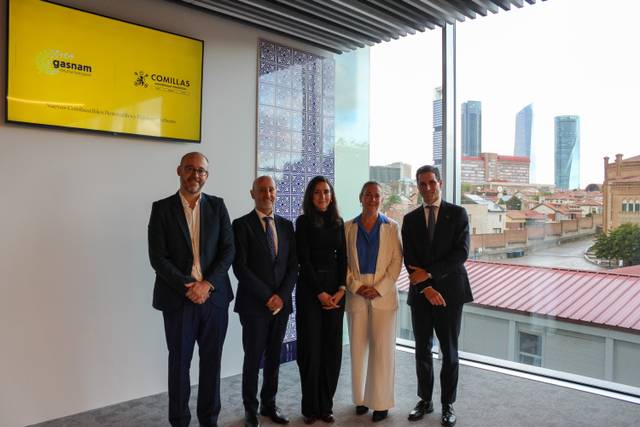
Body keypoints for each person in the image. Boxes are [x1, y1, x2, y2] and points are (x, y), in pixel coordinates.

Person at [148, 152, 235, 427]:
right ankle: (180, 422)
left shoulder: (218, 207)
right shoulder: (162, 208)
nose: (195, 175)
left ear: (206, 176)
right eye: (190, 169)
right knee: (179, 366)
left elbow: (228, 250)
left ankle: (209, 421)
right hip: (178, 300)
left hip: (214, 299)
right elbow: (158, 257)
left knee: (212, 366)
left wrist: (207, 284)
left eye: (201, 171)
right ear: (179, 171)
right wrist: (190, 286)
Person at [402, 165, 473, 426]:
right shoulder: (409, 220)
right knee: (422, 349)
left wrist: (430, 276)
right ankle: (425, 399)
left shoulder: (458, 214)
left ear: (440, 183)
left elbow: (460, 253)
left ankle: (447, 404)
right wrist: (426, 288)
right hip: (421, 295)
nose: (428, 188)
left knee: (449, 351)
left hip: (450, 293)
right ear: (418, 186)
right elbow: (409, 259)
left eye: (432, 182)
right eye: (422, 184)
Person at [232, 176, 298, 427]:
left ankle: (269, 404)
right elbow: (241, 267)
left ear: (276, 193)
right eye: (261, 190)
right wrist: (266, 296)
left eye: (271, 189)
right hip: (253, 305)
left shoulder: (286, 226)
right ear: (252, 194)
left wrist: (280, 296)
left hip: (281, 305)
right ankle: (250, 409)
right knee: (253, 358)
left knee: (274, 357)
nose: (267, 194)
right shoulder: (241, 225)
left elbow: (293, 266)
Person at [344, 181, 402, 422]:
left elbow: (396, 262)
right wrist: (357, 286)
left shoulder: (392, 227)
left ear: (381, 199)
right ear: (361, 197)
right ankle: (360, 399)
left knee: (382, 350)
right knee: (357, 349)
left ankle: (380, 403)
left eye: (376, 195)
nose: (372, 199)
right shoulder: (347, 227)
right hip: (357, 292)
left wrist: (378, 288)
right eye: (368, 195)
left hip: (383, 294)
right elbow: (343, 263)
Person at [295, 175, 347, 425]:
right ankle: (310, 408)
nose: (323, 196)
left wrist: (340, 289)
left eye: (326, 192)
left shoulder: (339, 223)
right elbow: (303, 261)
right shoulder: (303, 222)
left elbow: (344, 259)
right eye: (317, 192)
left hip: (336, 292)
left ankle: (326, 406)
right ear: (310, 196)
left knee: (331, 350)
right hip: (310, 292)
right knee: (311, 350)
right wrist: (320, 293)